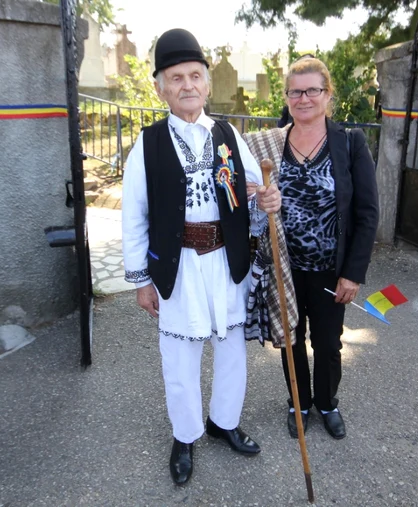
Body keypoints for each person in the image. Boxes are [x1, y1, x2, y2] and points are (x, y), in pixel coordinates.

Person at [121, 28, 281, 486]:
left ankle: (224, 422)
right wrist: (140, 280)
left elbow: (256, 191)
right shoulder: (147, 144)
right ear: (161, 88)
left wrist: (268, 200)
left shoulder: (229, 134)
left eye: (195, 76)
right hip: (178, 265)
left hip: (226, 261)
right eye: (176, 78)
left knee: (230, 349)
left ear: (207, 84)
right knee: (180, 355)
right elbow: (134, 215)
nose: (187, 85)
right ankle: (185, 435)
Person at [243, 55, 379, 441]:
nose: (304, 98)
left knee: (327, 340)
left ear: (327, 94)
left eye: (312, 90)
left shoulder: (350, 144)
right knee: (290, 337)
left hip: (328, 268)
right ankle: (299, 402)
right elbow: (246, 192)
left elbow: (368, 213)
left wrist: (353, 272)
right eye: (295, 91)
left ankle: (327, 402)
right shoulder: (269, 143)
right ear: (286, 97)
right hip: (284, 265)